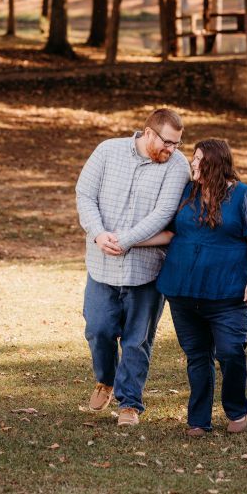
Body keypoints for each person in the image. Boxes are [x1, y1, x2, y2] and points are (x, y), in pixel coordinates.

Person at [137, 138, 247, 437]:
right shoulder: (187, 193)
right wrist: (130, 240)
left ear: (216, 164)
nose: (192, 163)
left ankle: (236, 408)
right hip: (183, 291)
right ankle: (198, 419)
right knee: (197, 356)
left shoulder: (243, 195)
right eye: (193, 158)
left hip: (227, 294)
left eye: (198, 159)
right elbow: (169, 233)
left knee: (231, 352)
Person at [76, 108, 190, 427]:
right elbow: (85, 195)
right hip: (101, 263)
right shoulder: (107, 151)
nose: (172, 149)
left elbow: (164, 212)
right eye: (167, 142)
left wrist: (125, 240)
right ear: (149, 133)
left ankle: (130, 403)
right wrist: (99, 233)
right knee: (98, 329)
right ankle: (106, 380)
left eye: (177, 143)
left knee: (137, 339)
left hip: (147, 269)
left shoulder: (177, 166)